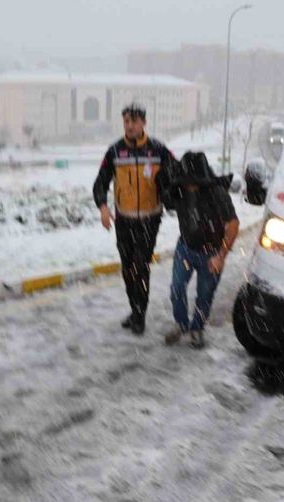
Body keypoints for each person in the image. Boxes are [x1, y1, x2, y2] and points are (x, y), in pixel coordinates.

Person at [93, 103, 176, 335]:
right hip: (124, 220)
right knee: (127, 268)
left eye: (134, 121)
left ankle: (140, 314)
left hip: (150, 220)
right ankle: (134, 309)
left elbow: (177, 173)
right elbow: (100, 182)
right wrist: (103, 207)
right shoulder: (115, 152)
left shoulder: (158, 150)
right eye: (126, 122)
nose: (129, 126)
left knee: (141, 266)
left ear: (143, 123)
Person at [163, 152, 240, 349]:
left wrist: (221, 256)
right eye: (185, 181)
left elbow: (233, 224)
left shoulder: (217, 193)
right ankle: (181, 325)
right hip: (186, 248)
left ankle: (197, 328)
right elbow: (163, 194)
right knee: (177, 289)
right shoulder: (179, 190)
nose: (188, 185)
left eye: (192, 181)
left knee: (205, 295)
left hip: (212, 253)